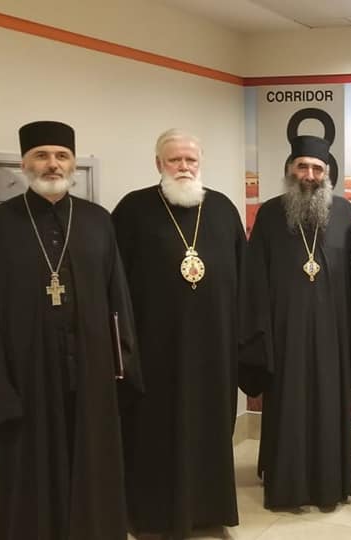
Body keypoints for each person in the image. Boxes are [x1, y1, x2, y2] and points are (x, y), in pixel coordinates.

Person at [0, 121, 141, 539]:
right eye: (41, 155)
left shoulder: (97, 221)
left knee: (91, 470)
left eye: (61, 156)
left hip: (91, 377)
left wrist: (122, 369)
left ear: (73, 163)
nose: (52, 164)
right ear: (24, 163)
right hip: (24, 382)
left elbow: (119, 302)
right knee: (29, 478)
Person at [111, 129, 244, 537]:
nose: (184, 167)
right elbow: (114, 284)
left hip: (214, 350)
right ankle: (153, 518)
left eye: (190, 160)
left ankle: (209, 513)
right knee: (156, 432)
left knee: (210, 431)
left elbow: (244, 280)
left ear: (200, 163)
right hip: (155, 350)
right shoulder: (132, 210)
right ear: (159, 164)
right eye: (174, 160)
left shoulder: (222, 209)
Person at [240, 135, 351, 510]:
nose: (309, 175)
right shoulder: (269, 214)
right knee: (288, 404)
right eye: (302, 167)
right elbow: (255, 279)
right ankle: (286, 483)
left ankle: (329, 484)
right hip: (286, 333)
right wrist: (263, 335)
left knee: (328, 404)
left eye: (317, 168)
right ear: (290, 170)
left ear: (327, 174)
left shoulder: (345, 213)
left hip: (333, 334)